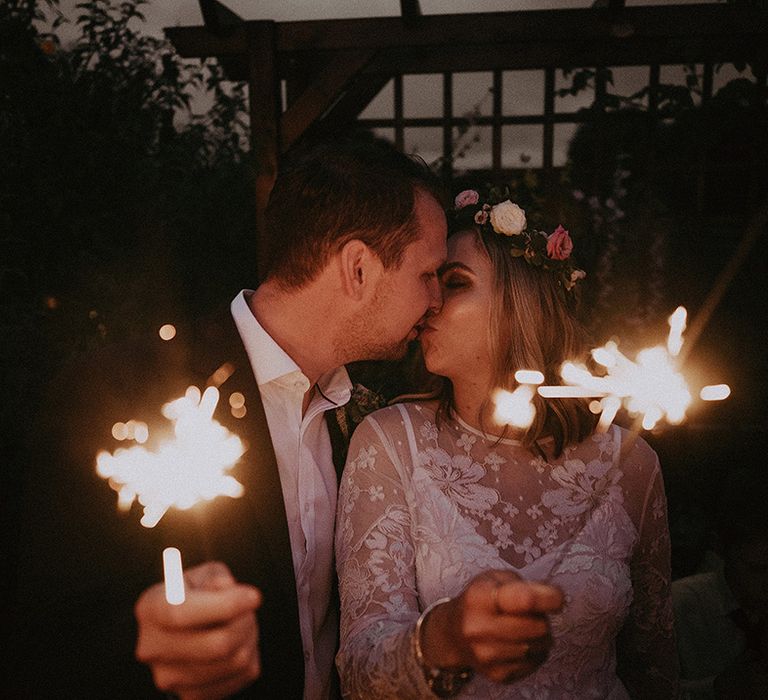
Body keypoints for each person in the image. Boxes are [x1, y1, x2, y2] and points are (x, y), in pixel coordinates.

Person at [15, 136, 448, 699]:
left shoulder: (367, 418)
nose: (436, 300)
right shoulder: (124, 391)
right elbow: (45, 631)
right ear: (359, 268)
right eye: (428, 274)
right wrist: (147, 644)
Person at [335, 187, 679, 698]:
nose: (429, 303)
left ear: (523, 303)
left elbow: (654, 664)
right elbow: (359, 672)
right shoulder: (390, 444)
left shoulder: (631, 463)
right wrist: (448, 636)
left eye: (453, 283)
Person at [673, 467, 768, 699]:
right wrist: (717, 688)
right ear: (725, 553)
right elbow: (645, 689)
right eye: (757, 570)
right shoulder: (681, 605)